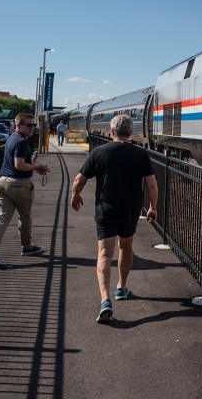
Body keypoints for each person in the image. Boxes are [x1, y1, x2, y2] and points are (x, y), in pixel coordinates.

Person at [71, 114, 158, 324]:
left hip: (106, 211)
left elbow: (79, 179)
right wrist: (153, 208)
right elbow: (152, 185)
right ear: (131, 132)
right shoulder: (141, 154)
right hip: (130, 210)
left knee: (104, 254)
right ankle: (121, 287)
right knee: (126, 246)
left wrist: (75, 195)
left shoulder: (99, 152)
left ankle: (105, 300)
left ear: (112, 132)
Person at [0, 113, 50, 268]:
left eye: (34, 125)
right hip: (18, 185)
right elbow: (19, 165)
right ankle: (27, 247)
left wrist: (34, 168)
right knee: (25, 216)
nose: (32, 128)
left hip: (2, 182)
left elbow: (21, 163)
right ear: (18, 125)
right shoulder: (21, 142)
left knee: (3, 218)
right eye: (29, 125)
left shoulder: (11, 138)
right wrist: (37, 167)